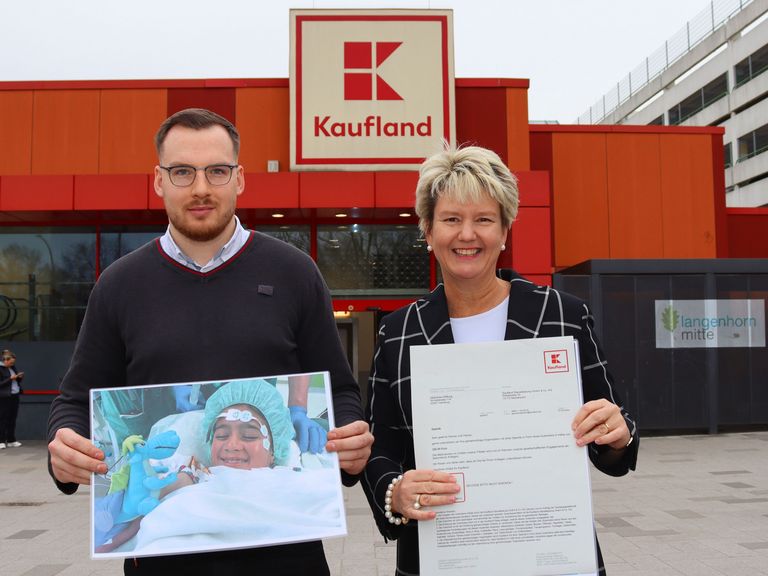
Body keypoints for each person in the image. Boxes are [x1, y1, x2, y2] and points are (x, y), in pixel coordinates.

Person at [47, 108, 373, 575]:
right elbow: (76, 400)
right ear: (158, 181)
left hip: (286, 561)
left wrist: (350, 437)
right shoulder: (119, 286)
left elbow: (340, 390)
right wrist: (64, 446)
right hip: (163, 564)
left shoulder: (294, 273)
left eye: (217, 171)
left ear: (239, 178)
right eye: (182, 172)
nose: (201, 188)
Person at [361, 145, 639, 575]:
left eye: (484, 219)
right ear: (428, 231)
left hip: (551, 554)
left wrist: (617, 433)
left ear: (505, 230)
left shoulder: (562, 315)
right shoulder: (398, 332)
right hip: (441, 554)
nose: (467, 234)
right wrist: (394, 493)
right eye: (451, 219)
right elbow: (380, 448)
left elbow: (611, 436)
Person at [0, 349, 24, 449]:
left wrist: (19, 377)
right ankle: (1, 440)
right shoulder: (1, 369)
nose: (12, 364)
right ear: (5, 360)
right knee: (3, 419)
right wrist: (10, 379)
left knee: (12, 418)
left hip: (14, 395)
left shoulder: (12, 368)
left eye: (13, 363)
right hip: (4, 397)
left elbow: (15, 381)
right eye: (10, 362)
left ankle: (11, 440)